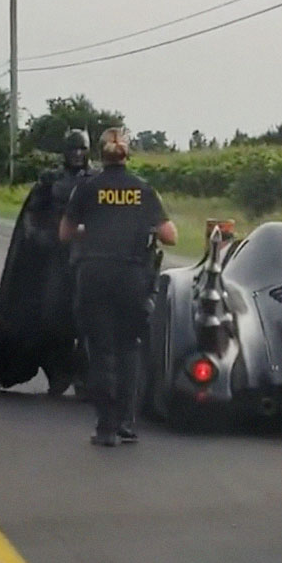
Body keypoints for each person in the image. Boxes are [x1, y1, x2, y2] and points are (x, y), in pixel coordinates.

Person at [59, 127, 177, 446]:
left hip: (93, 276)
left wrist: (88, 229)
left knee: (100, 352)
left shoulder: (86, 188)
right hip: (133, 280)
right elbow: (171, 236)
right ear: (128, 155)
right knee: (129, 349)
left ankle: (106, 427)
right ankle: (126, 422)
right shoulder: (143, 189)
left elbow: (65, 233)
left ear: (100, 155)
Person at [0, 129, 94, 394]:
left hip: (87, 259)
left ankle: (85, 374)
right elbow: (30, 217)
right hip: (54, 259)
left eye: (82, 149)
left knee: (90, 318)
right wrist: (43, 238)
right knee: (53, 316)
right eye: (73, 149)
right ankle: (59, 371)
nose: (77, 155)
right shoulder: (50, 180)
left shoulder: (97, 181)